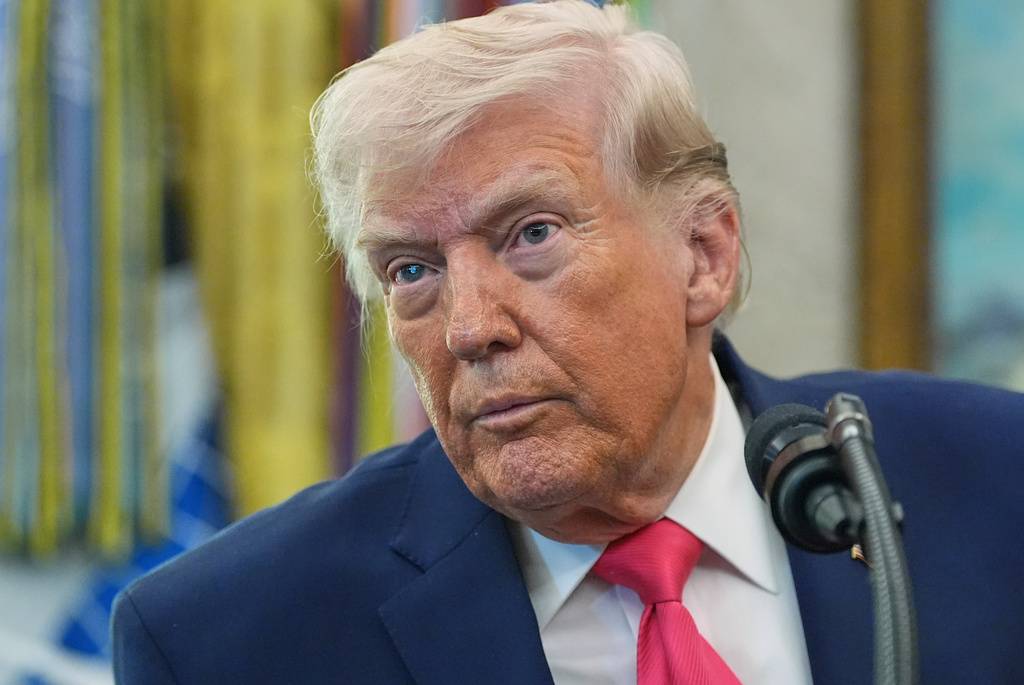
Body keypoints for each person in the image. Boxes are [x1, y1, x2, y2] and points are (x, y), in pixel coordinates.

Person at [111, 2, 1024, 683]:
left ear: (702, 254)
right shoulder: (225, 640)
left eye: (532, 234)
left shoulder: (993, 483)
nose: (471, 328)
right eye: (411, 270)